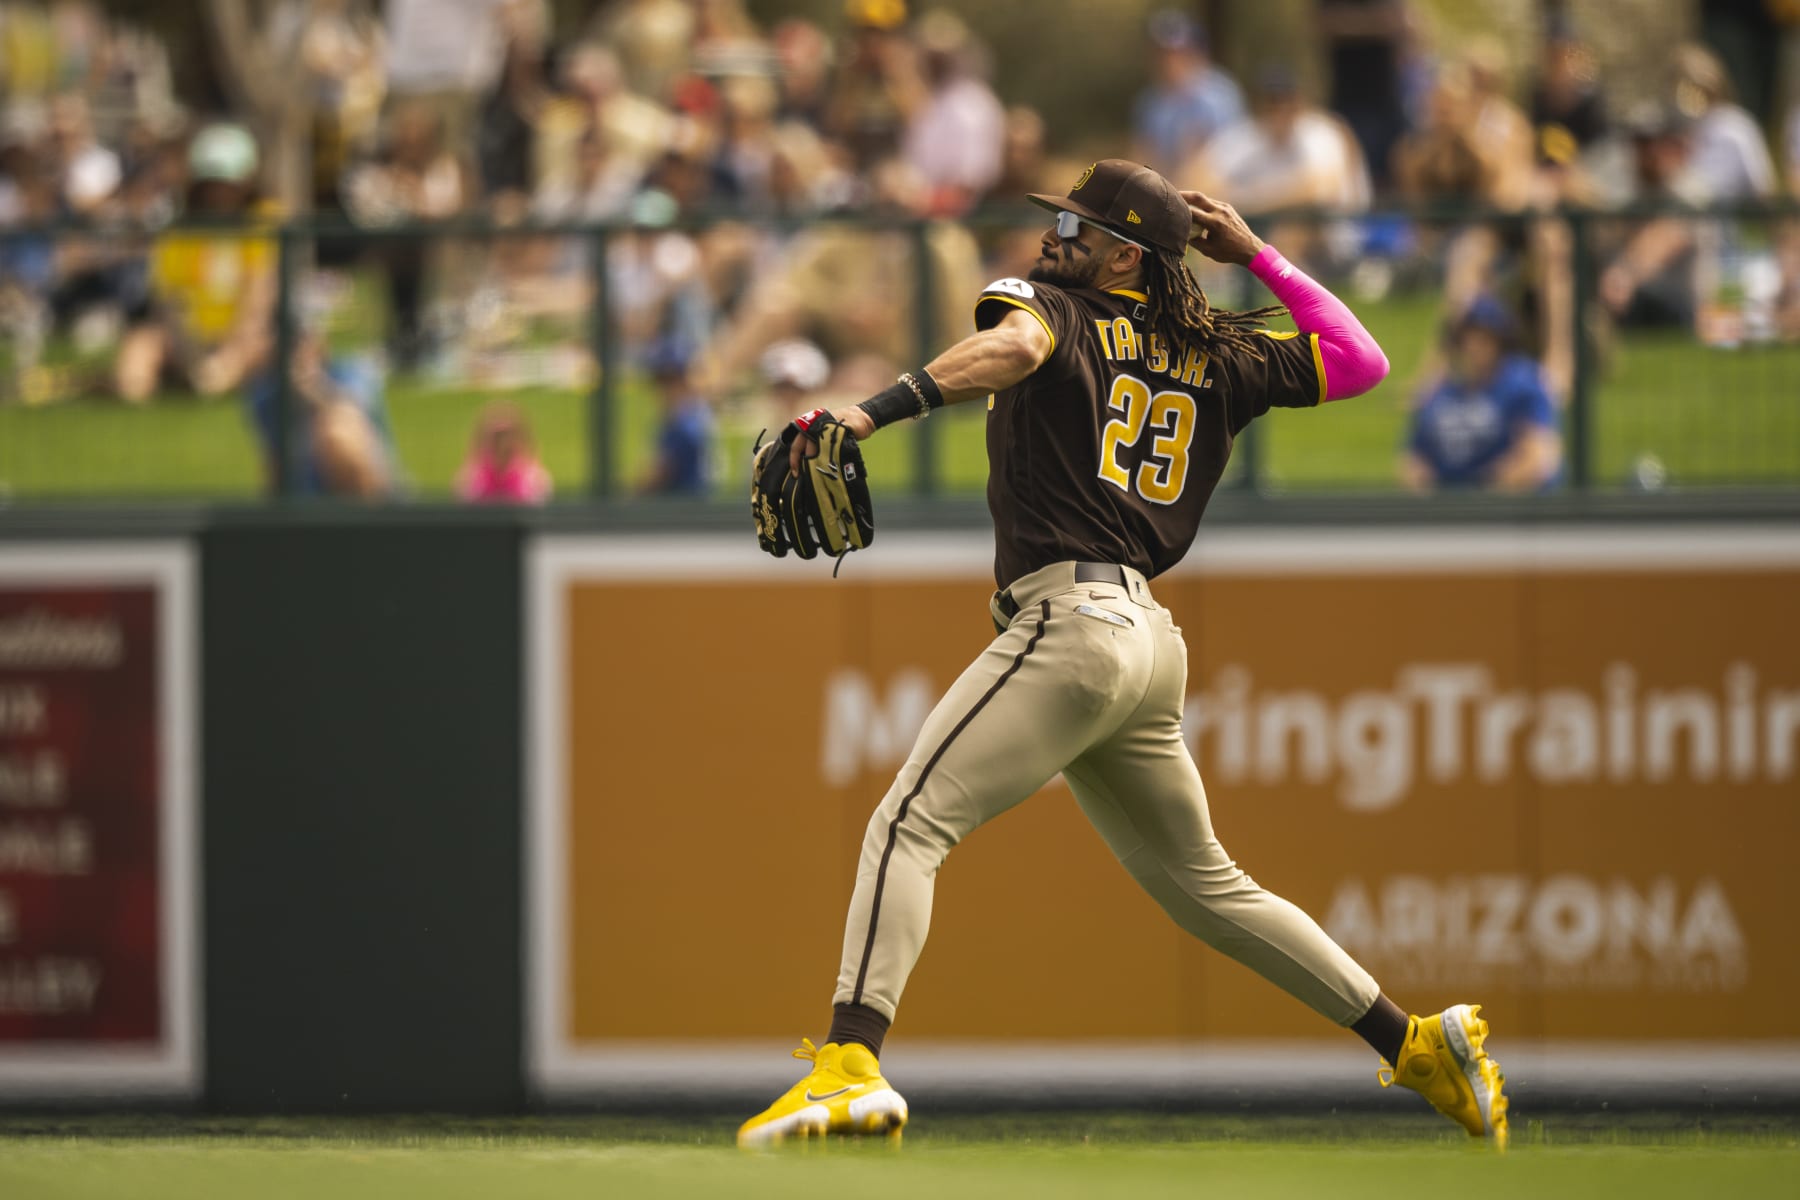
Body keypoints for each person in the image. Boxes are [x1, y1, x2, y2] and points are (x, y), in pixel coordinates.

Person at [736, 160, 1507, 1149]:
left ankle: (849, 1064)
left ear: (1125, 255)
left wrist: (868, 410)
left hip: (1072, 625)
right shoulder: (1215, 348)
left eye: (1081, 225)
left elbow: (1013, 346)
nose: (1059, 234)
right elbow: (1360, 360)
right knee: (1210, 888)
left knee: (908, 823)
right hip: (1148, 646)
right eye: (1063, 218)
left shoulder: (1053, 303)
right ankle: (1416, 1047)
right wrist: (1261, 257)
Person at [1401, 297, 1561, 493]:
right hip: (1448, 510)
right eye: (1466, 339)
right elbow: (1413, 462)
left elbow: (1537, 460)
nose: (1473, 348)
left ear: (1501, 342)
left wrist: (1485, 497)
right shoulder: (1438, 390)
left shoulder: (1523, 383)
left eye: (1484, 339)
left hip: (1510, 509)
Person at [1131, 9, 1244, 173]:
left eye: (1176, 52)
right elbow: (1142, 155)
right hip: (1166, 187)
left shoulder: (1220, 94)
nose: (1169, 60)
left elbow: (1231, 153)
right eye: (1162, 53)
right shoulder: (1149, 102)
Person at [457, 402, 552, 503]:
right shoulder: (476, 472)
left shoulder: (530, 473)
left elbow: (539, 497)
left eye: (508, 435)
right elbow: (464, 496)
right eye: (497, 436)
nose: (503, 442)